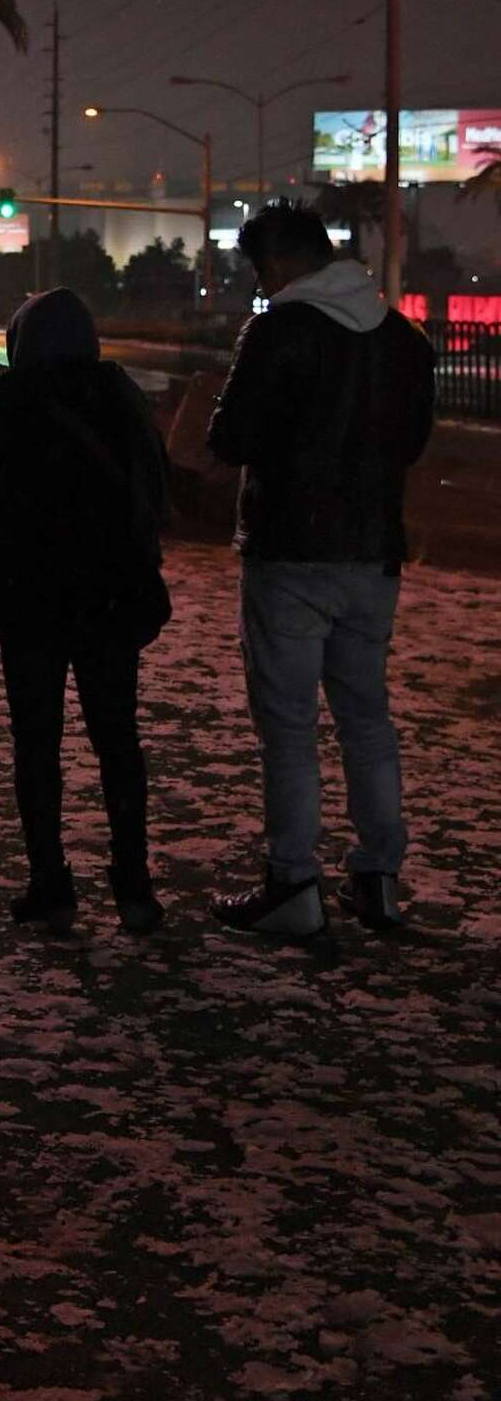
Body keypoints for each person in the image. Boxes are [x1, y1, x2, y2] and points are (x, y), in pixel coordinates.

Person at [206, 201, 435, 937]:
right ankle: (378, 876)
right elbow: (413, 440)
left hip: (290, 554)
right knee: (367, 717)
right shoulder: (403, 339)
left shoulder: (278, 332)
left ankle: (293, 881)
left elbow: (229, 436)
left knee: (291, 725)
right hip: (373, 554)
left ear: (275, 263)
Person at [0, 288, 172, 934]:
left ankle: (51, 881)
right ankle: (133, 881)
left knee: (37, 742)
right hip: (109, 591)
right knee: (117, 740)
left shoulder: (14, 400)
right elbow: (153, 477)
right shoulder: (118, 397)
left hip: (29, 596)